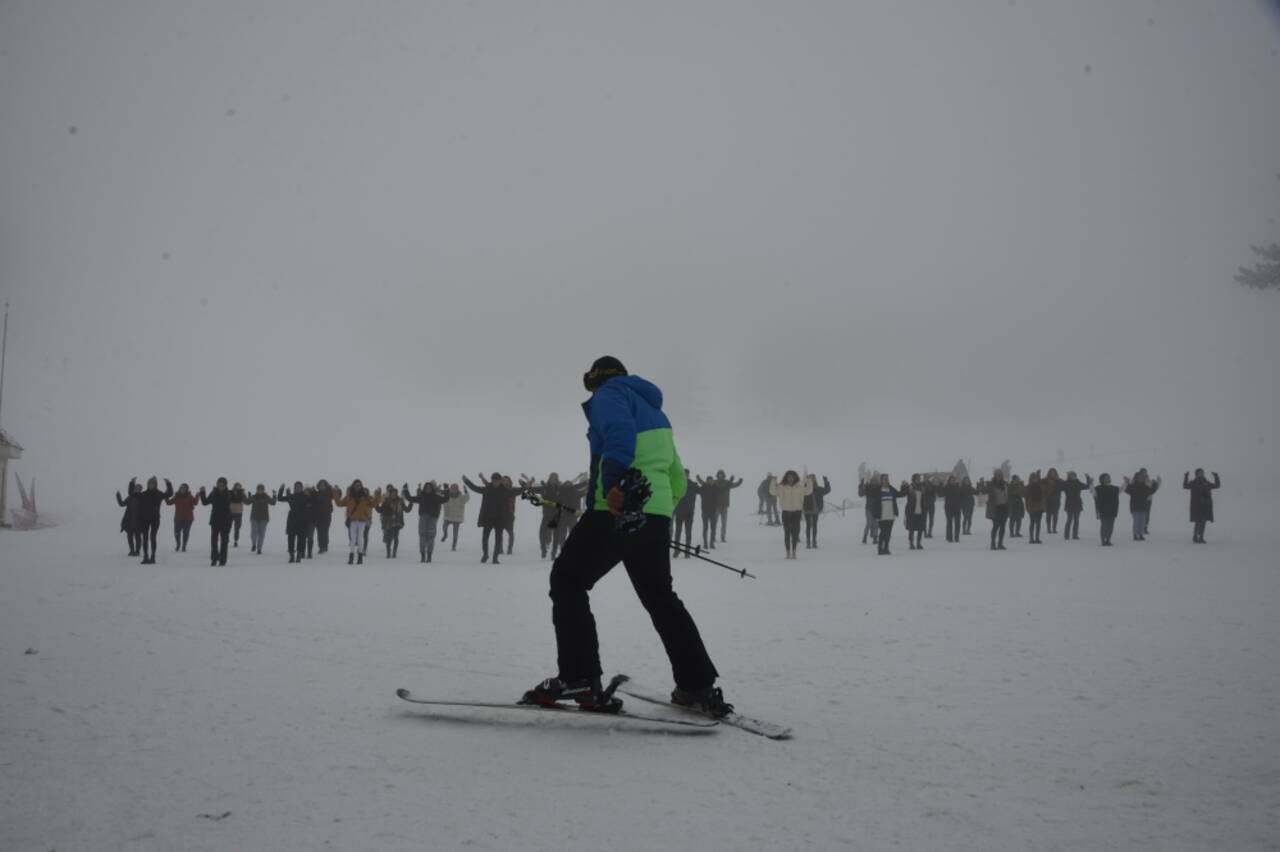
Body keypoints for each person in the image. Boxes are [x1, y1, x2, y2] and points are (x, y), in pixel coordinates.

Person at [520, 356, 728, 717]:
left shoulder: (610, 395)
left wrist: (616, 489)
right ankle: (697, 686)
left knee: (568, 580)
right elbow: (677, 476)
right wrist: (656, 512)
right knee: (661, 597)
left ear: (596, 379)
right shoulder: (655, 410)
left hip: (616, 508)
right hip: (656, 511)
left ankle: (579, 677)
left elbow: (618, 435)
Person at [462, 473, 520, 564]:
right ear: (492, 480)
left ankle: (495, 557)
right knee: (485, 538)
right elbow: (475, 488)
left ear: (500, 481)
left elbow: (517, 492)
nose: (496, 482)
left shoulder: (505, 491)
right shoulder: (487, 489)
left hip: (500, 519)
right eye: (494, 481)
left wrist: (526, 486)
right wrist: (466, 481)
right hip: (488, 518)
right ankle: (485, 555)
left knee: (498, 538)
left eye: (497, 481)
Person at [333, 480, 380, 565]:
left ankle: (360, 556)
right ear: (353, 486)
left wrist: (378, 495)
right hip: (353, 520)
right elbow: (339, 503)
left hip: (362, 520)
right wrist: (336, 493)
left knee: (359, 538)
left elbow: (373, 504)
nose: (357, 487)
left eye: (359, 485)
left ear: (361, 486)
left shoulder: (365, 497)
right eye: (356, 485)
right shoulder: (349, 497)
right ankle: (352, 555)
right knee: (353, 539)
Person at [769, 471, 813, 559]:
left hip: (797, 512)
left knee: (795, 533)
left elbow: (808, 491)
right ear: (786, 477)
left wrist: (808, 480)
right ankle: (788, 552)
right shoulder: (782, 487)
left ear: (795, 477)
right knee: (787, 533)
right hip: (786, 512)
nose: (790, 478)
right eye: (789, 477)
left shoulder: (799, 487)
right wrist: (773, 481)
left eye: (792, 477)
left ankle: (794, 551)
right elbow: (772, 492)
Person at [404, 481, 449, 562]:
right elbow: (410, 498)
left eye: (429, 488)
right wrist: (405, 490)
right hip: (423, 518)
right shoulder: (421, 497)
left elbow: (446, 499)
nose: (428, 489)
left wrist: (446, 489)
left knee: (431, 536)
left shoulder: (436, 497)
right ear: (424, 489)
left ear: (432, 489)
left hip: (432, 518)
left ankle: (429, 555)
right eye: (426, 488)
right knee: (422, 535)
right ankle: (423, 555)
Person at [132, 477, 174, 564]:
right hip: (144, 519)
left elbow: (170, 493)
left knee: (153, 537)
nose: (151, 485)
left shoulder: (159, 494)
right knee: (145, 538)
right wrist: (132, 483)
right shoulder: (143, 494)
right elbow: (132, 494)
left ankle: (153, 557)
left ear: (155, 485)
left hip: (155, 519)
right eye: (149, 484)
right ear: (148, 485)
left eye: (153, 484)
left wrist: (168, 483)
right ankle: (146, 557)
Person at [199, 478, 234, 566]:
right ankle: (214, 558)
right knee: (214, 541)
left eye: (222, 485)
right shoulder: (213, 493)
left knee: (224, 542)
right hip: (215, 521)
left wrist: (240, 491)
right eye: (219, 485)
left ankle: (223, 560)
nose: (221, 486)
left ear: (226, 485)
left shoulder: (230, 493)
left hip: (226, 521)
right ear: (217, 485)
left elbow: (238, 499)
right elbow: (205, 502)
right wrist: (202, 492)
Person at [274, 482, 311, 562]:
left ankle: (299, 556)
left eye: (299, 487)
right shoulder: (291, 496)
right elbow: (280, 498)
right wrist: (281, 489)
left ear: (302, 488)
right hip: (292, 519)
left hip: (303, 520)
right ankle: (291, 556)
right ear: (294, 488)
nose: (298, 488)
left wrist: (310, 493)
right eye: (296, 487)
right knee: (291, 539)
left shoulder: (306, 496)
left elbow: (311, 502)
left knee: (301, 539)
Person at [1183, 469, 1221, 543]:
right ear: (1196, 474)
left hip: (1206, 506)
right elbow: (1185, 486)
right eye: (1199, 473)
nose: (1201, 474)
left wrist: (1216, 477)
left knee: (1203, 522)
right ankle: (1196, 536)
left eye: (1202, 473)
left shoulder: (1206, 483)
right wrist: (1186, 476)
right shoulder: (1193, 483)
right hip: (1196, 506)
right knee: (1198, 522)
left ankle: (1200, 537)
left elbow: (1217, 485)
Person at [870, 474, 903, 555]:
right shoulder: (877, 489)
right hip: (881, 515)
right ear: (881, 480)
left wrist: (904, 487)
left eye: (887, 479)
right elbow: (870, 495)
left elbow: (900, 494)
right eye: (884, 479)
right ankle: (880, 548)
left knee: (888, 533)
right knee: (883, 532)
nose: (886, 480)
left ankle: (886, 548)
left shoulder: (891, 489)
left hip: (891, 514)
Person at [1123, 471, 1160, 541]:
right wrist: (1126, 482)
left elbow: (1151, 491)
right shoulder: (1133, 486)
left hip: (1143, 506)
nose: (1140, 479)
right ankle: (1135, 535)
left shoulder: (1145, 486)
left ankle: (1140, 534)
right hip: (1135, 506)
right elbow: (1127, 490)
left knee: (1142, 522)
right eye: (1139, 477)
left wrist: (1155, 484)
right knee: (1136, 521)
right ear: (1136, 478)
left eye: (1141, 478)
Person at [708, 470, 743, 543]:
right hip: (716, 506)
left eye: (721, 474)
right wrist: (699, 479)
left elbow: (734, 485)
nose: (720, 476)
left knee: (724, 523)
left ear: (723, 475)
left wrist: (739, 482)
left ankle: (723, 537)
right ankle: (713, 537)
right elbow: (707, 484)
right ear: (717, 475)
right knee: (715, 522)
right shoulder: (715, 482)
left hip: (724, 506)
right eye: (719, 474)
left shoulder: (727, 482)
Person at [981, 470, 1010, 551]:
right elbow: (983, 490)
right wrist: (982, 483)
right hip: (995, 508)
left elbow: (1008, 495)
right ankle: (993, 543)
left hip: (1004, 507)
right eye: (997, 475)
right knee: (996, 526)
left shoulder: (1005, 484)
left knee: (1003, 527)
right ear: (994, 475)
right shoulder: (991, 484)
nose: (999, 476)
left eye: (1000, 475)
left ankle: (1000, 543)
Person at [802, 474, 832, 549]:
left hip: (816, 509)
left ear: (815, 480)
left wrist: (826, 481)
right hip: (807, 509)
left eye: (813, 479)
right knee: (808, 526)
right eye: (810, 479)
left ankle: (814, 541)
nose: (812, 480)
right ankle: (808, 542)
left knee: (815, 525)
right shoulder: (805, 488)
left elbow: (827, 490)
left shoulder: (818, 488)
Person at [1059, 472, 1092, 541]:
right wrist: (1060, 481)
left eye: (1074, 475)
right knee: (1069, 520)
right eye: (1071, 475)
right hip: (1069, 504)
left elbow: (1087, 486)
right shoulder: (1066, 483)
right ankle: (1066, 535)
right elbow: (1060, 488)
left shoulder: (1078, 483)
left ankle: (1075, 535)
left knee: (1076, 520)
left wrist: (1088, 478)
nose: (1073, 476)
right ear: (1068, 476)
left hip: (1077, 503)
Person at [672, 469, 698, 556]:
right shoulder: (677, 483)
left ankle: (687, 551)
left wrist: (703, 483)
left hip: (689, 513)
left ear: (688, 475)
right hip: (679, 512)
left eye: (686, 474)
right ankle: (676, 550)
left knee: (688, 532)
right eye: (684, 474)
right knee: (678, 532)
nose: (685, 475)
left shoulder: (693, 485)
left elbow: (703, 491)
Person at [377, 484, 407, 559]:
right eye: (392, 493)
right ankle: (388, 553)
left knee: (396, 537)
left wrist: (411, 504)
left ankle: (394, 552)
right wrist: (375, 505)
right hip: (389, 521)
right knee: (389, 538)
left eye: (395, 493)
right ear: (390, 493)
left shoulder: (400, 500)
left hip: (398, 521)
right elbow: (381, 510)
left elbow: (406, 509)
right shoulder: (386, 501)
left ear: (397, 493)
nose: (393, 494)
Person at [166, 482, 198, 551]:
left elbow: (195, 502)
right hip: (178, 518)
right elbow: (169, 503)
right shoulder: (177, 496)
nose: (182, 489)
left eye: (183, 488)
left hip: (188, 518)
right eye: (181, 488)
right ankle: (178, 544)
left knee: (186, 533)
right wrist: (166, 496)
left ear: (186, 489)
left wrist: (198, 495)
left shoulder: (189, 496)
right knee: (176, 532)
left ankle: (184, 546)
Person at [1091, 473, 1121, 546]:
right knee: (1104, 525)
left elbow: (1121, 490)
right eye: (1106, 477)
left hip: (1113, 509)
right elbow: (1093, 492)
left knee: (1111, 526)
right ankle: (1103, 540)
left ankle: (1108, 540)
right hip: (1102, 509)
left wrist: (1126, 482)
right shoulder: (1098, 488)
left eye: (1108, 477)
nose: (1107, 479)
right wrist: (1090, 483)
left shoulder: (1114, 488)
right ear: (1102, 479)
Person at [246, 484, 276, 555]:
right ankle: (254, 544)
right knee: (254, 532)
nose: (260, 491)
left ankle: (259, 548)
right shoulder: (253, 497)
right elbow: (247, 502)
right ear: (257, 490)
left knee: (261, 534)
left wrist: (274, 495)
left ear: (263, 490)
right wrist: (243, 495)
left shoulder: (266, 497)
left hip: (264, 518)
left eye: (261, 489)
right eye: (259, 489)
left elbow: (273, 503)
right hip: (254, 517)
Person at [116, 478, 143, 556]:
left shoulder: (142, 497)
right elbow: (121, 504)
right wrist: (118, 496)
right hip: (129, 521)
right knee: (130, 537)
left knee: (138, 537)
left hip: (139, 521)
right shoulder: (130, 497)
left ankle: (137, 551)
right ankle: (131, 550)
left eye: (138, 488)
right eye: (136, 488)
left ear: (140, 490)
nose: (137, 489)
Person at [441, 483, 469, 551]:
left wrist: (465, 490)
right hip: (448, 516)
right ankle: (445, 535)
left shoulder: (461, 497)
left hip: (457, 517)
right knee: (444, 527)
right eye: (452, 488)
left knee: (455, 533)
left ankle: (454, 545)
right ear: (450, 489)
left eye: (455, 488)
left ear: (458, 489)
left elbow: (467, 498)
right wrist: (443, 489)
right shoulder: (446, 496)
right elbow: (439, 495)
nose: (454, 489)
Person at [695, 473, 720, 551]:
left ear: (713, 481)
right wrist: (698, 479)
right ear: (707, 481)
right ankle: (705, 543)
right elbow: (699, 488)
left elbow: (723, 488)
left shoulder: (715, 488)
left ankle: (711, 543)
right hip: (705, 511)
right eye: (709, 480)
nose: (710, 482)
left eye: (711, 480)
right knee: (705, 528)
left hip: (713, 512)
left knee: (713, 528)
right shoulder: (703, 488)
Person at [310, 478, 334, 556]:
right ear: (318, 486)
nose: (322, 486)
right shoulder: (316, 493)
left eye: (323, 485)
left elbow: (337, 494)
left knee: (325, 531)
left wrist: (331, 488)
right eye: (320, 485)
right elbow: (311, 499)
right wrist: (312, 491)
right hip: (318, 515)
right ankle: (321, 547)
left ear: (326, 486)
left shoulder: (329, 493)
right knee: (319, 532)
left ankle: (325, 544)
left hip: (327, 515)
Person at [903, 476, 927, 550]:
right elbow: (903, 492)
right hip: (911, 510)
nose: (919, 480)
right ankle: (911, 543)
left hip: (921, 510)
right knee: (911, 528)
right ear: (914, 479)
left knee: (920, 527)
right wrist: (904, 486)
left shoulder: (922, 488)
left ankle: (918, 543)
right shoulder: (910, 487)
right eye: (917, 479)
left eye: (919, 479)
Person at [1023, 470, 1046, 544]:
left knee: (1038, 523)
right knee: (1032, 522)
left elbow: (1046, 493)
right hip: (1032, 506)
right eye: (1033, 478)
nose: (1035, 479)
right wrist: (1028, 507)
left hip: (1039, 506)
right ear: (1031, 479)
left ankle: (1037, 538)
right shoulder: (1028, 487)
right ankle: (1031, 538)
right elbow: (1024, 496)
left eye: (1036, 478)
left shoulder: (1040, 486)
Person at [858, 474, 880, 544]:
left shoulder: (879, 488)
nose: (874, 482)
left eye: (875, 481)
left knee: (876, 524)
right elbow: (861, 494)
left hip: (876, 509)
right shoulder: (868, 487)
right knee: (869, 523)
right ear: (871, 481)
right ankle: (865, 537)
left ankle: (875, 538)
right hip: (869, 509)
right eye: (873, 481)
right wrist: (861, 485)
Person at [942, 474, 963, 542]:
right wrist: (941, 485)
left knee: (957, 523)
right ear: (949, 481)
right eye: (951, 480)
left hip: (957, 508)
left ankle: (957, 537)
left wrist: (961, 505)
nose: (953, 481)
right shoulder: (946, 487)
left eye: (954, 480)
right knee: (949, 523)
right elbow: (940, 494)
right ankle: (949, 537)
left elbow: (962, 496)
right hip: (948, 508)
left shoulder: (958, 487)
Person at [1043, 468, 1063, 535]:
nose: (1052, 474)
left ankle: (1054, 528)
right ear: (1049, 473)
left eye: (1054, 473)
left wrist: (1058, 480)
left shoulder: (1059, 480)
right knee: (1048, 515)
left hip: (1056, 500)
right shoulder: (1045, 480)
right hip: (1048, 500)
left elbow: (1064, 485)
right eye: (1051, 473)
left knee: (1055, 515)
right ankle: (1049, 528)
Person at [229, 483, 247, 548]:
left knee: (237, 528)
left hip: (239, 513)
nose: (238, 487)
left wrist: (245, 495)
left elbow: (246, 501)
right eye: (237, 486)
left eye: (239, 486)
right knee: (228, 526)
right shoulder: (230, 492)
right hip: (230, 512)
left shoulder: (242, 493)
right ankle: (227, 537)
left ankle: (236, 541)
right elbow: (230, 499)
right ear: (234, 486)